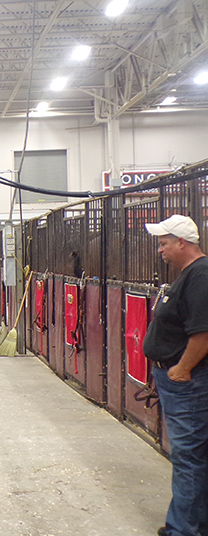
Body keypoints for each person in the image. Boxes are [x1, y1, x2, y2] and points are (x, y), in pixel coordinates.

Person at [144, 214, 208, 536]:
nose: (160, 250)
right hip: (182, 382)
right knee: (194, 454)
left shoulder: (200, 275)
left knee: (188, 457)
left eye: (164, 243)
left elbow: (204, 333)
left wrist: (181, 369)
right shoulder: (190, 275)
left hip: (189, 383)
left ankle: (182, 530)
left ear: (182, 243)